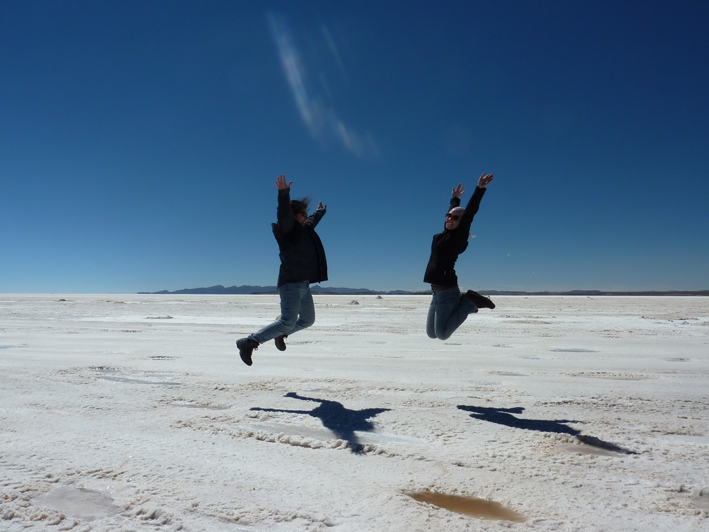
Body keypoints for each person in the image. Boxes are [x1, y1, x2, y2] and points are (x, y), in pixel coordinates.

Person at [236, 175, 328, 366]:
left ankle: (281, 333)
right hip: (290, 283)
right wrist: (283, 193)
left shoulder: (305, 229)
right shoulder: (286, 230)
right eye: (302, 214)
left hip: (304, 284)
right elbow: (284, 213)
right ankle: (249, 342)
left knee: (308, 320)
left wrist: (319, 213)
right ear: (294, 216)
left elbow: (311, 222)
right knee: (287, 321)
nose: (305, 217)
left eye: (306, 214)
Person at [424, 172, 495, 341]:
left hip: (448, 291)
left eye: (454, 217)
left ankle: (470, 301)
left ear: (461, 222)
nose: (449, 218)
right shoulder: (440, 235)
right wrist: (455, 200)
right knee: (431, 334)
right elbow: (453, 213)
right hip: (436, 292)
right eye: (448, 215)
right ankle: (467, 301)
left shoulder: (457, 238)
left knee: (442, 334)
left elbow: (469, 214)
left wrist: (479, 189)